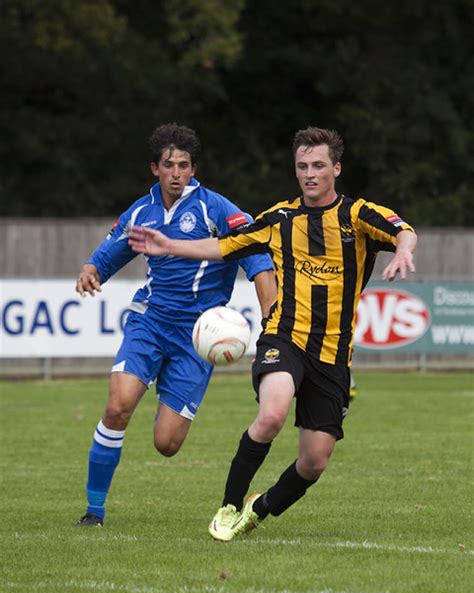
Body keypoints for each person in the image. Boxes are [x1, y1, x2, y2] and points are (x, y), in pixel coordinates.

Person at [128, 126, 417, 541]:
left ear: (336, 168)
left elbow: (403, 229)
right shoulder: (279, 219)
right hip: (284, 336)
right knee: (273, 413)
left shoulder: (358, 216)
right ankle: (228, 506)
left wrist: (403, 249)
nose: (310, 174)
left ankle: (259, 509)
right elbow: (224, 246)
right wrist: (169, 245)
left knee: (314, 462)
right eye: (302, 166)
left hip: (334, 353)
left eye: (318, 165)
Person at [75, 123, 276, 527]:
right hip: (150, 321)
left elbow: (257, 256)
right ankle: (93, 512)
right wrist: (92, 267)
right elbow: (113, 250)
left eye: (184, 165)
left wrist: (271, 317)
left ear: (193, 168)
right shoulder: (142, 210)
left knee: (166, 444)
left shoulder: (216, 208)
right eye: (169, 165)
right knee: (117, 407)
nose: (177, 172)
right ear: (155, 168)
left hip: (197, 338)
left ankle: (167, 391)